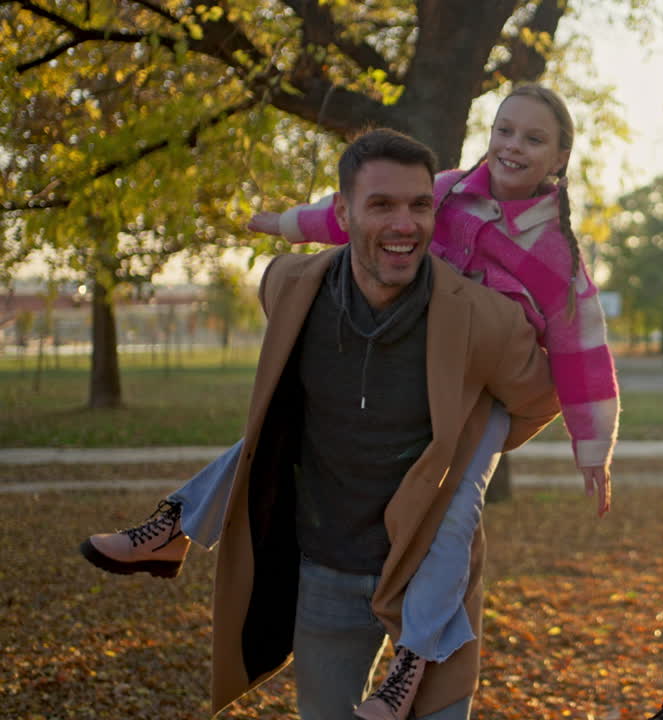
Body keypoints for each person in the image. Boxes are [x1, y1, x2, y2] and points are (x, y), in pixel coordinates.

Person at [79, 85, 617, 720]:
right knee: (275, 433)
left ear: (559, 159)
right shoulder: (446, 193)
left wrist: (593, 449)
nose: (513, 146)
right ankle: (177, 523)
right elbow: (352, 215)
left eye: (533, 138)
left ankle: (414, 660)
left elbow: (581, 348)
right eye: (504, 130)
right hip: (412, 355)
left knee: (457, 511)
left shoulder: (557, 249)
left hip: (479, 393)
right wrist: (283, 224)